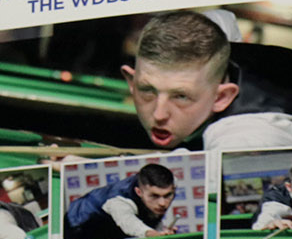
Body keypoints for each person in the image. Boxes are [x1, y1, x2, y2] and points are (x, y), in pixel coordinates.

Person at [122, 10, 292, 152]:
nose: (159, 115)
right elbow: (222, 17)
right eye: (147, 90)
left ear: (221, 97)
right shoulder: (213, 38)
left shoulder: (242, 140)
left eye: (181, 96)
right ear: (131, 81)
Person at [64, 163, 176, 239]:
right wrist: (153, 234)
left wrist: (160, 231)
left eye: (167, 195)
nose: (163, 203)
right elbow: (129, 223)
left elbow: (150, 216)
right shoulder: (118, 201)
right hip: (79, 224)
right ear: (138, 192)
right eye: (154, 196)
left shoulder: (169, 185)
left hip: (109, 225)